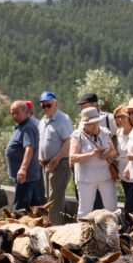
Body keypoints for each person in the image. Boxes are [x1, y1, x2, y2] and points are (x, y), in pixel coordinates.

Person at [69, 106, 118, 217]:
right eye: (91, 123)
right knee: (85, 211)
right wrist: (91, 154)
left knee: (112, 208)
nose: (94, 125)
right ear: (85, 124)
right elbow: (72, 158)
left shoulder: (105, 132)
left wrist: (106, 154)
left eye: (96, 122)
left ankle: (114, 232)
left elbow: (114, 152)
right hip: (86, 179)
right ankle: (83, 233)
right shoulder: (78, 135)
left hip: (105, 177)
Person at [38, 91, 73, 224]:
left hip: (60, 163)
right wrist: (41, 157)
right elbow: (40, 141)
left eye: (49, 105)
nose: (46, 108)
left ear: (55, 104)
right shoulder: (42, 121)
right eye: (43, 106)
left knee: (55, 199)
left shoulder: (63, 119)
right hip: (47, 165)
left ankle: (56, 228)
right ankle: (52, 224)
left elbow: (69, 141)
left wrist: (56, 159)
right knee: (49, 199)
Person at [6, 101, 44, 211]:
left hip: (25, 178)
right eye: (12, 113)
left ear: (26, 112)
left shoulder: (28, 127)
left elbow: (29, 149)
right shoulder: (21, 126)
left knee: (21, 208)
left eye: (17, 113)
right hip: (23, 178)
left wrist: (23, 169)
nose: (14, 116)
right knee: (32, 208)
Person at [113, 106, 133, 215]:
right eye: (117, 117)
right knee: (130, 202)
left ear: (129, 117)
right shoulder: (119, 133)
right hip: (123, 174)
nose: (120, 120)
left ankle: (132, 229)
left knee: (130, 206)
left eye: (122, 116)